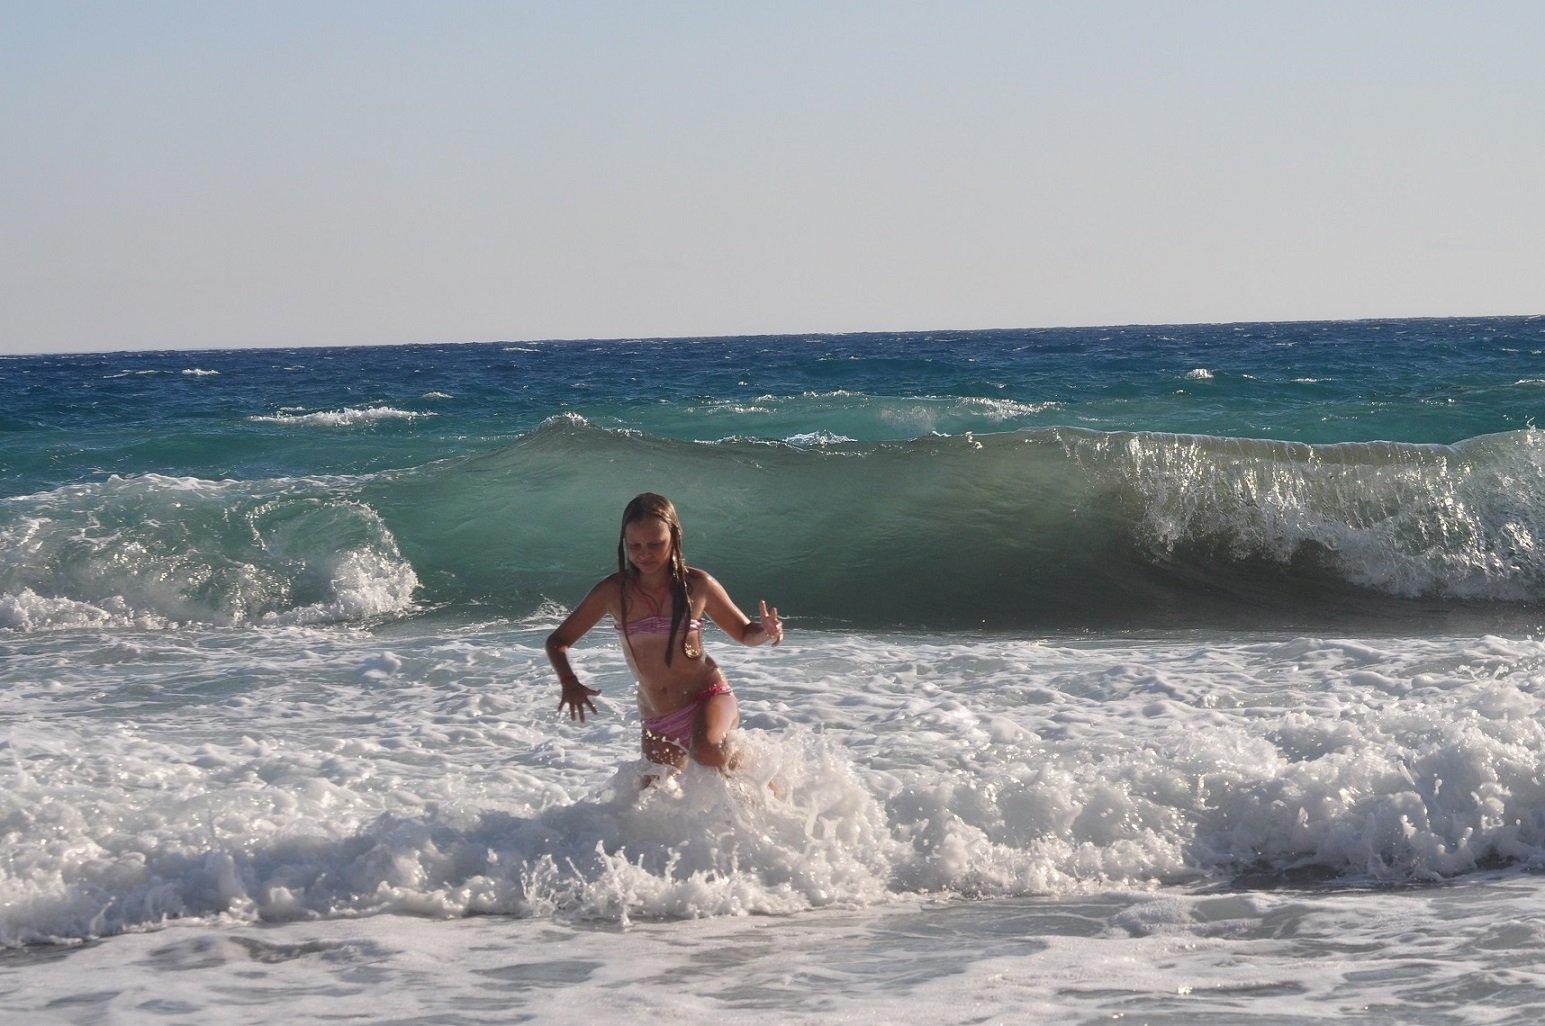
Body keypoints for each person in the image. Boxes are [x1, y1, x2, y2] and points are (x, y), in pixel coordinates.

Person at [545, 492, 783, 773]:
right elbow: (558, 641)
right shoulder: (613, 592)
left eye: (655, 544)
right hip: (658, 718)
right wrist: (569, 681)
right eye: (635, 545)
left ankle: (767, 786)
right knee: (652, 796)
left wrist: (766, 632)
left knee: (708, 750)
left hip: (707, 697)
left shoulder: (698, 585)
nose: (644, 553)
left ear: (674, 537)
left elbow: (744, 632)